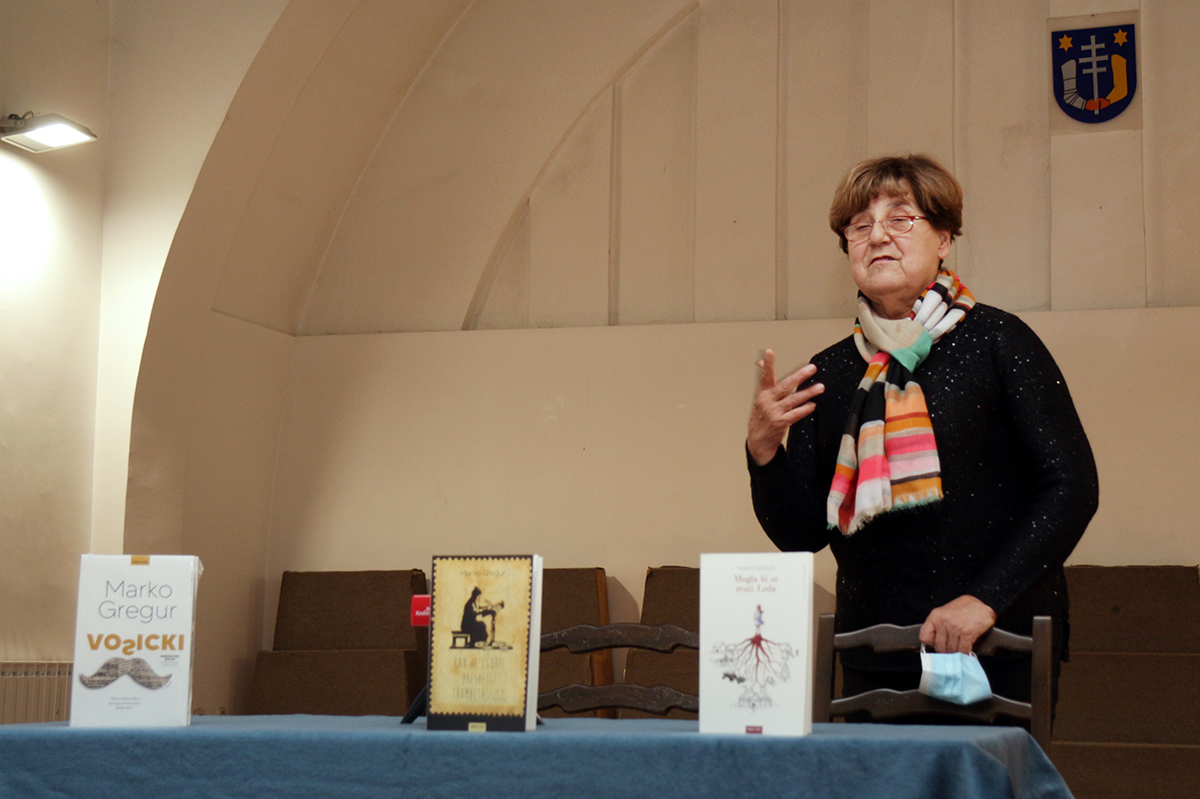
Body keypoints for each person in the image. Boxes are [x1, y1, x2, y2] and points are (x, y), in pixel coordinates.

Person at [746, 154, 1098, 708]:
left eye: (900, 218)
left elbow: (1070, 487)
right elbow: (802, 535)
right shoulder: (829, 371)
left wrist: (983, 601)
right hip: (873, 648)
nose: (876, 236)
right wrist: (764, 451)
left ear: (944, 239)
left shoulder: (1000, 341)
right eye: (859, 225)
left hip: (998, 640)